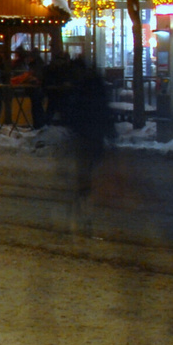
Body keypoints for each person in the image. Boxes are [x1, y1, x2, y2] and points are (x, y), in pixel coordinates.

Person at [58, 58, 115, 235]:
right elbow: (103, 108)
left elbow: (72, 111)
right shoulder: (94, 84)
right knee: (89, 171)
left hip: (84, 134)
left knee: (83, 172)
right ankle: (85, 205)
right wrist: (110, 131)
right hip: (94, 134)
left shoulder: (80, 88)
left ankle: (81, 206)